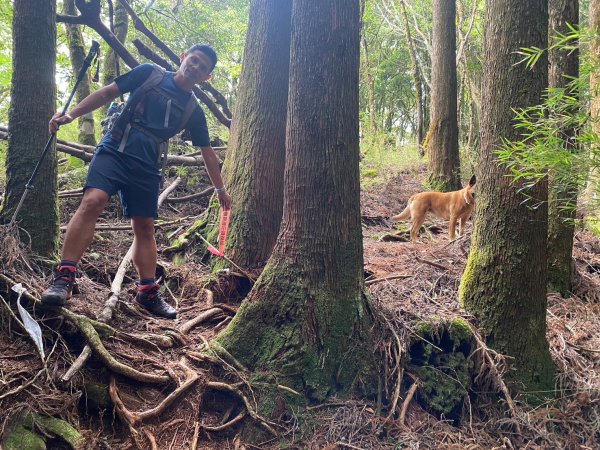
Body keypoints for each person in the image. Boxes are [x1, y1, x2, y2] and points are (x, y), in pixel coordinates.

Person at [41, 44, 232, 319]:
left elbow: (207, 152)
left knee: (145, 227)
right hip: (115, 148)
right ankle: (64, 279)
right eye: (194, 60)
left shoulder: (193, 109)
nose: (196, 67)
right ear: (183, 58)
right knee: (93, 201)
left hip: (148, 164)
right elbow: (108, 92)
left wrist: (221, 189)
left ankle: (148, 292)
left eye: (203, 68)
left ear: (207, 77)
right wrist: (71, 114)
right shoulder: (149, 73)